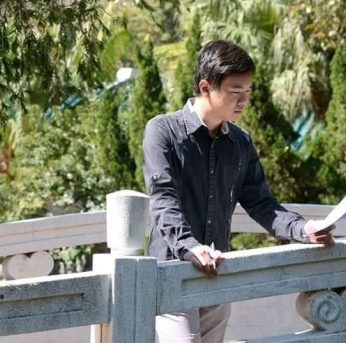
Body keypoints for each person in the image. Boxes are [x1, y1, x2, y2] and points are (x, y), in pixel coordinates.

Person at [142, 40, 334, 343]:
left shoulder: (240, 142)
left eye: (247, 91)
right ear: (206, 87)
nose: (244, 100)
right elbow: (163, 198)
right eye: (235, 91)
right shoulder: (163, 131)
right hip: (172, 270)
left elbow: (262, 203)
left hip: (217, 271)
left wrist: (302, 229)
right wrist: (189, 245)